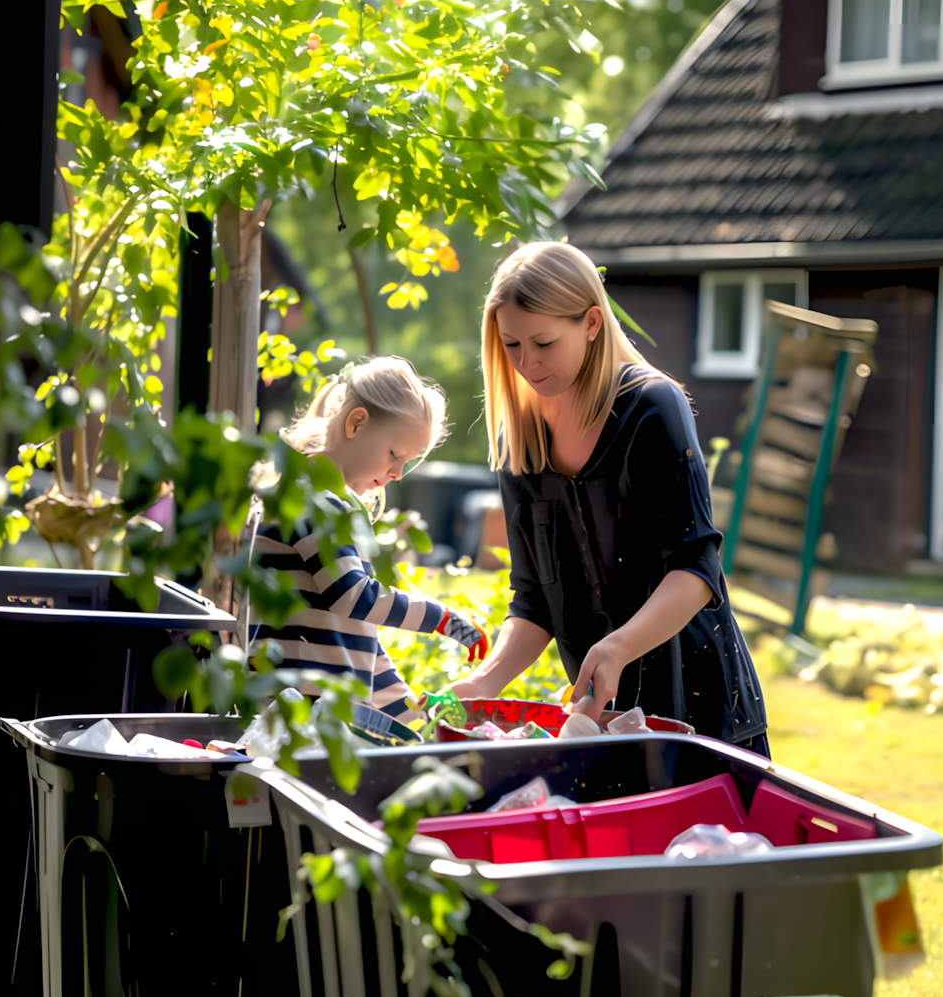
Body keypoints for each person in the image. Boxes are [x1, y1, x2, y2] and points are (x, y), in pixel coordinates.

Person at [453, 241, 769, 753]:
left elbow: (697, 569)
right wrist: (483, 683)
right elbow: (534, 600)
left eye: (544, 342)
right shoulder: (520, 442)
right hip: (602, 728)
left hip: (705, 719)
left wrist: (620, 646)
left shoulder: (652, 408)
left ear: (592, 323)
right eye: (511, 345)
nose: (527, 363)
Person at [250, 357, 487, 726]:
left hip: (319, 711)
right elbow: (354, 597)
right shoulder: (314, 502)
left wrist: (413, 716)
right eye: (395, 455)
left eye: (407, 462)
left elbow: (359, 640)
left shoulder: (328, 502)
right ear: (356, 422)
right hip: (293, 709)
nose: (397, 473)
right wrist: (440, 617)